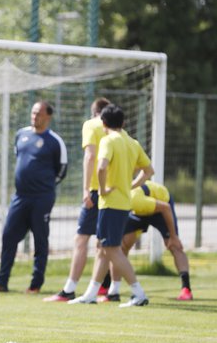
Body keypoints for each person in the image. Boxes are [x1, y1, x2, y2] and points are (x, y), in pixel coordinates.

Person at [69, 104, 154, 307]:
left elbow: (101, 167)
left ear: (103, 123)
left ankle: (138, 293)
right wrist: (132, 185)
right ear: (123, 122)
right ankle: (91, 294)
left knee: (112, 249)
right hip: (124, 202)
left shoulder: (108, 141)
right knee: (102, 248)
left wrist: (103, 189)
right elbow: (149, 170)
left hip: (111, 204)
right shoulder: (132, 143)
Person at [0, 101, 67, 294]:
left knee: (40, 240)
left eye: (39, 114)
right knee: (8, 235)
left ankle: (35, 284)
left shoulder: (54, 141)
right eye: (33, 112)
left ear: (48, 117)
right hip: (20, 197)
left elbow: (62, 171)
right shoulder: (21, 134)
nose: (35, 116)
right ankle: (2, 282)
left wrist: (44, 186)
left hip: (42, 198)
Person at [45, 97, 112, 302]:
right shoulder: (120, 133)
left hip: (95, 190)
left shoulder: (91, 125)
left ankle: (70, 289)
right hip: (115, 192)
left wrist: (86, 189)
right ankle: (109, 288)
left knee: (81, 239)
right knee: (107, 243)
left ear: (94, 113)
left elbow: (90, 156)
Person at [101, 180, 193, 301]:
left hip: (161, 208)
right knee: (120, 246)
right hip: (139, 212)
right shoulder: (115, 203)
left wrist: (173, 236)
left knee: (173, 246)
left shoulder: (134, 200)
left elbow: (166, 208)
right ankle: (111, 290)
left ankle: (186, 289)